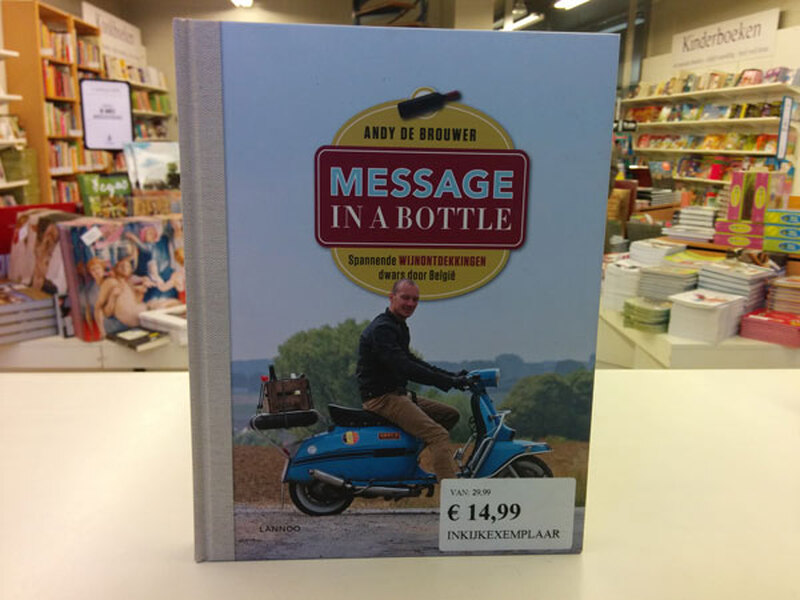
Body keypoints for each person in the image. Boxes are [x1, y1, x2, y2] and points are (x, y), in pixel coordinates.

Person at [357, 279, 468, 481]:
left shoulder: (398, 326)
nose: (410, 304)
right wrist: (447, 382)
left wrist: (452, 376)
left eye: (415, 299)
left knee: (449, 415)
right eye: (405, 298)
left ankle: (405, 460)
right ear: (392, 297)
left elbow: (412, 360)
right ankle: (451, 492)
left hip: (398, 394)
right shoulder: (382, 329)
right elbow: (404, 367)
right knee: (438, 435)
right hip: (382, 398)